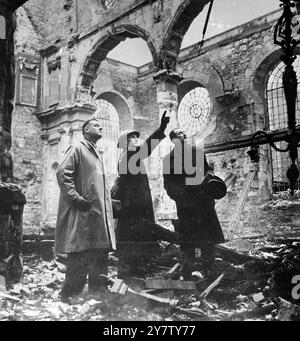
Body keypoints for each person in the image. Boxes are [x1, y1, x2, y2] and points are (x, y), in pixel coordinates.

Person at [55, 118, 116, 301]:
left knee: (99, 253)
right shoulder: (78, 148)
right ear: (86, 129)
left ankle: (98, 295)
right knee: (80, 253)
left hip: (97, 216)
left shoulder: (97, 152)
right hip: (83, 213)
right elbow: (62, 173)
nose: (101, 127)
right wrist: (76, 198)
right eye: (96, 124)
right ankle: (70, 297)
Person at [112, 111, 174, 278]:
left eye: (136, 137)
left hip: (134, 206)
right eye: (132, 138)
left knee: (134, 242)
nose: (136, 139)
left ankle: (132, 277)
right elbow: (146, 149)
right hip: (133, 207)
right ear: (125, 143)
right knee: (135, 241)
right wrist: (161, 128)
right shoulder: (130, 154)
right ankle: (130, 279)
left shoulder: (130, 155)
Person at [163, 128, 227, 278]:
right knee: (188, 243)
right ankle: (187, 274)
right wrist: (180, 196)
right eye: (179, 133)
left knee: (208, 240)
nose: (183, 135)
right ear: (172, 140)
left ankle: (210, 272)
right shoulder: (168, 160)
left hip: (203, 202)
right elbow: (168, 184)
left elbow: (208, 170)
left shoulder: (197, 152)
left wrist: (208, 178)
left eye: (184, 133)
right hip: (186, 206)